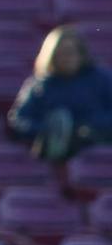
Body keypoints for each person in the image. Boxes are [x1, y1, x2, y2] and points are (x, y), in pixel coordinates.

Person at [7, 25, 112, 163]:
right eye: (62, 53)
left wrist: (87, 126)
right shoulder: (40, 85)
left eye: (72, 52)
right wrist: (46, 130)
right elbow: (19, 120)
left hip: (95, 143)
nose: (68, 58)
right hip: (54, 149)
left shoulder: (102, 79)